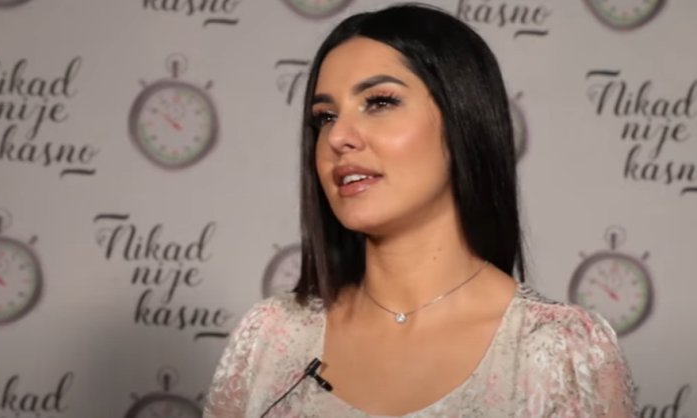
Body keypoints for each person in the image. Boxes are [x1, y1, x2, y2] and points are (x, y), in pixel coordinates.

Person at [204, 3, 637, 417]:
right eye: (325, 117)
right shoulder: (268, 337)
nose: (337, 137)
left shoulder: (564, 351)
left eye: (379, 101)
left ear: (463, 119)